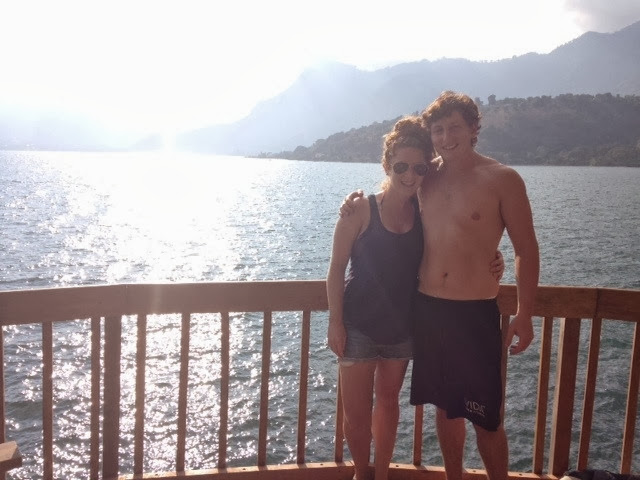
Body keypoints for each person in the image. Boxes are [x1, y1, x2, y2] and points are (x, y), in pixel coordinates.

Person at [340, 91, 539, 480]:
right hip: (429, 310)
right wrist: (353, 199)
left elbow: (526, 250)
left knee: (487, 418)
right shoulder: (425, 178)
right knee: (447, 412)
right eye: (439, 130)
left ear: (474, 129)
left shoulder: (503, 179)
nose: (447, 138)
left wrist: (525, 313)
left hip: (475, 312)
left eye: (455, 128)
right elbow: (393, 191)